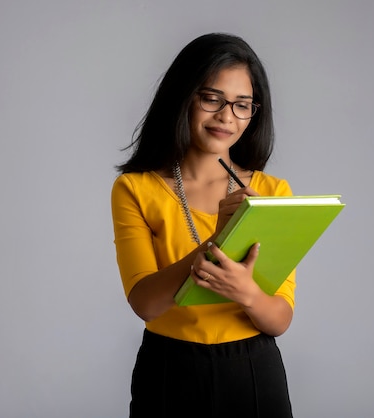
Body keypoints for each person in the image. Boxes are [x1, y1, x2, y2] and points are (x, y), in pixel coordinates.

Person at [111, 33, 295, 418]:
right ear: (183, 97)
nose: (227, 116)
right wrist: (220, 238)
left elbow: (280, 319)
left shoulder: (270, 192)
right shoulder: (135, 188)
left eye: (242, 105)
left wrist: (249, 295)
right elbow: (145, 302)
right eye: (212, 98)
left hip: (253, 368)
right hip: (168, 368)